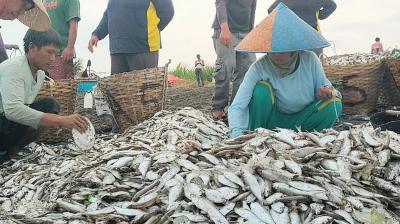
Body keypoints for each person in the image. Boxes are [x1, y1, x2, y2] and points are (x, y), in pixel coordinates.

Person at [229, 3, 342, 138]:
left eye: (282, 50)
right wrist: (236, 134)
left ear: (293, 47)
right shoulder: (259, 67)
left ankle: (307, 138)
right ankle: (257, 136)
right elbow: (237, 105)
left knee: (334, 104)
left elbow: (331, 91)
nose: (276, 54)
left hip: (303, 120)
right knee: (261, 90)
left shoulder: (310, 59)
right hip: (272, 121)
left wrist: (326, 92)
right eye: (273, 51)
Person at [0, 29, 88, 160]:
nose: (53, 58)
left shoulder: (40, 74)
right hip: (3, 120)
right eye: (49, 52)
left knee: (50, 105)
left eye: (55, 54)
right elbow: (13, 110)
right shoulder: (15, 68)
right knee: (47, 114)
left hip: (6, 123)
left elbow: (25, 107)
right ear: (32, 47)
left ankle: (12, 149)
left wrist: (56, 119)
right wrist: (61, 120)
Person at [88, 0, 174, 75]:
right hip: (118, 49)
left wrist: (151, 31)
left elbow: (168, 12)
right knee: (119, 91)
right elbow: (109, 14)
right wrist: (97, 34)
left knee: (143, 90)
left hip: (143, 47)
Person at [211, 0, 257, 121]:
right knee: (225, 68)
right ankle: (218, 107)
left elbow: (253, 8)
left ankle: (235, 107)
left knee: (246, 72)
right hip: (226, 31)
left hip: (245, 33)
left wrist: (251, 32)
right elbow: (220, 3)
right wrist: (224, 28)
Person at [268, 0, 337, 57]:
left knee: (296, 64)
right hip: (313, 36)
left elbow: (271, 10)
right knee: (315, 64)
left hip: (292, 36)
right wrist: (320, 15)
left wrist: (286, 19)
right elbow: (332, 5)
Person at [42, 0, 80, 80]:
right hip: (43, 53)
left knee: (60, 88)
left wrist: (70, 48)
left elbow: (74, 24)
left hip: (61, 53)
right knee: (44, 88)